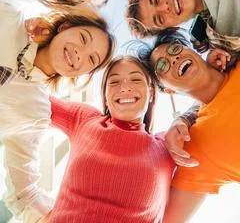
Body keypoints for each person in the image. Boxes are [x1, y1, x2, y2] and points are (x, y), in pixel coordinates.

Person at [0, 1, 115, 222]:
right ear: (65, 27)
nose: (79, 54)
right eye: (82, 38)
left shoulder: (37, 113)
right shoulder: (11, 18)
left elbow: (24, 194)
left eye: (91, 59)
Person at [24, 56, 174, 222]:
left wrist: (186, 118)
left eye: (136, 79)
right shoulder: (85, 119)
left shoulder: (167, 145)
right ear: (105, 96)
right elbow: (30, 96)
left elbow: (205, 114)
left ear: (151, 93)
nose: (124, 88)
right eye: (114, 82)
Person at [139, 30, 240, 223]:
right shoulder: (193, 149)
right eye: (162, 65)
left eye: (175, 49)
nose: (173, 59)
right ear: (167, 89)